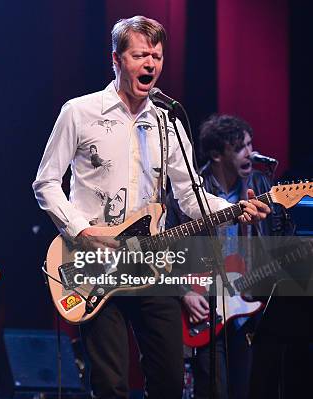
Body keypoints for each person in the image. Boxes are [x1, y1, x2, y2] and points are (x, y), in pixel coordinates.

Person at [32, 16, 270, 398]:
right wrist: (81, 230)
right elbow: (45, 182)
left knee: (169, 379)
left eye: (157, 56)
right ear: (116, 59)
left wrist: (232, 207)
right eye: (140, 55)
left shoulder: (168, 123)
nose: (150, 64)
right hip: (93, 262)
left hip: (153, 265)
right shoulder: (79, 112)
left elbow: (189, 196)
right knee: (110, 383)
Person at [168, 114, 292, 399]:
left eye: (250, 144)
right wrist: (184, 290)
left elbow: (278, 240)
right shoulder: (192, 192)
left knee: (246, 389)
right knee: (214, 390)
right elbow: (169, 246)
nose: (250, 153)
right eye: (239, 147)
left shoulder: (260, 185)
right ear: (216, 154)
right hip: (206, 307)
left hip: (247, 308)